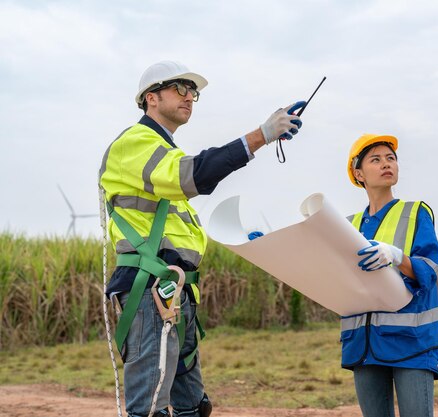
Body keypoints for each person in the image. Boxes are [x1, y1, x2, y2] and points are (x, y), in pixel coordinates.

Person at [99, 60, 305, 417]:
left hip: (174, 292)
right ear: (151, 98)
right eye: (181, 89)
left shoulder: (162, 152)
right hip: (150, 288)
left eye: (193, 92)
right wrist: (260, 135)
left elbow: (180, 212)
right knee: (150, 409)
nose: (190, 97)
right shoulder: (135, 143)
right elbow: (194, 175)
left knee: (193, 406)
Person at [342, 134, 438, 417]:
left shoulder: (415, 213)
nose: (386, 164)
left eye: (391, 158)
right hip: (364, 345)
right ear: (358, 173)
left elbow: (429, 270)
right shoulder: (349, 226)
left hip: (411, 341)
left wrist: (398, 257)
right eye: (375, 159)